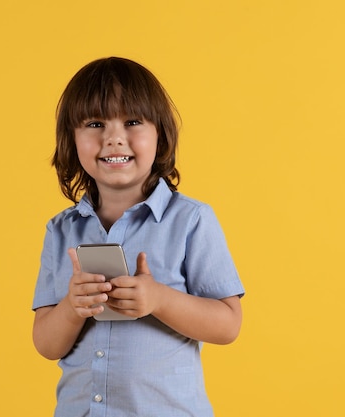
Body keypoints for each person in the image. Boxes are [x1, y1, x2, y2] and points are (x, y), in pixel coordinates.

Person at [32, 57, 244, 417]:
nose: (114, 137)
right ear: (72, 139)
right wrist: (72, 307)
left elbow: (228, 325)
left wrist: (159, 299)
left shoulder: (191, 220)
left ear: (160, 133)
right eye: (95, 123)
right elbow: (46, 344)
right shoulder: (61, 229)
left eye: (132, 122)